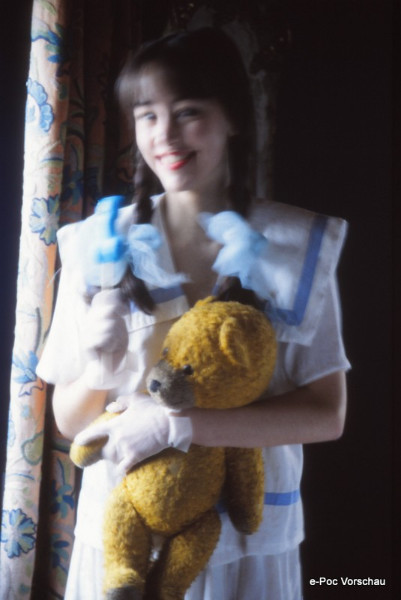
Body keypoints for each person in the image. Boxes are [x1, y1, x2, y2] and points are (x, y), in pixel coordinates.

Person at [37, 27, 350, 600]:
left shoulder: (295, 247)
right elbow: (70, 421)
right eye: (148, 116)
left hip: (248, 545)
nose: (165, 135)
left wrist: (182, 426)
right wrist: (99, 372)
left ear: (233, 117)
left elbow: (326, 415)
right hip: (123, 539)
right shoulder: (96, 246)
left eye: (188, 112)